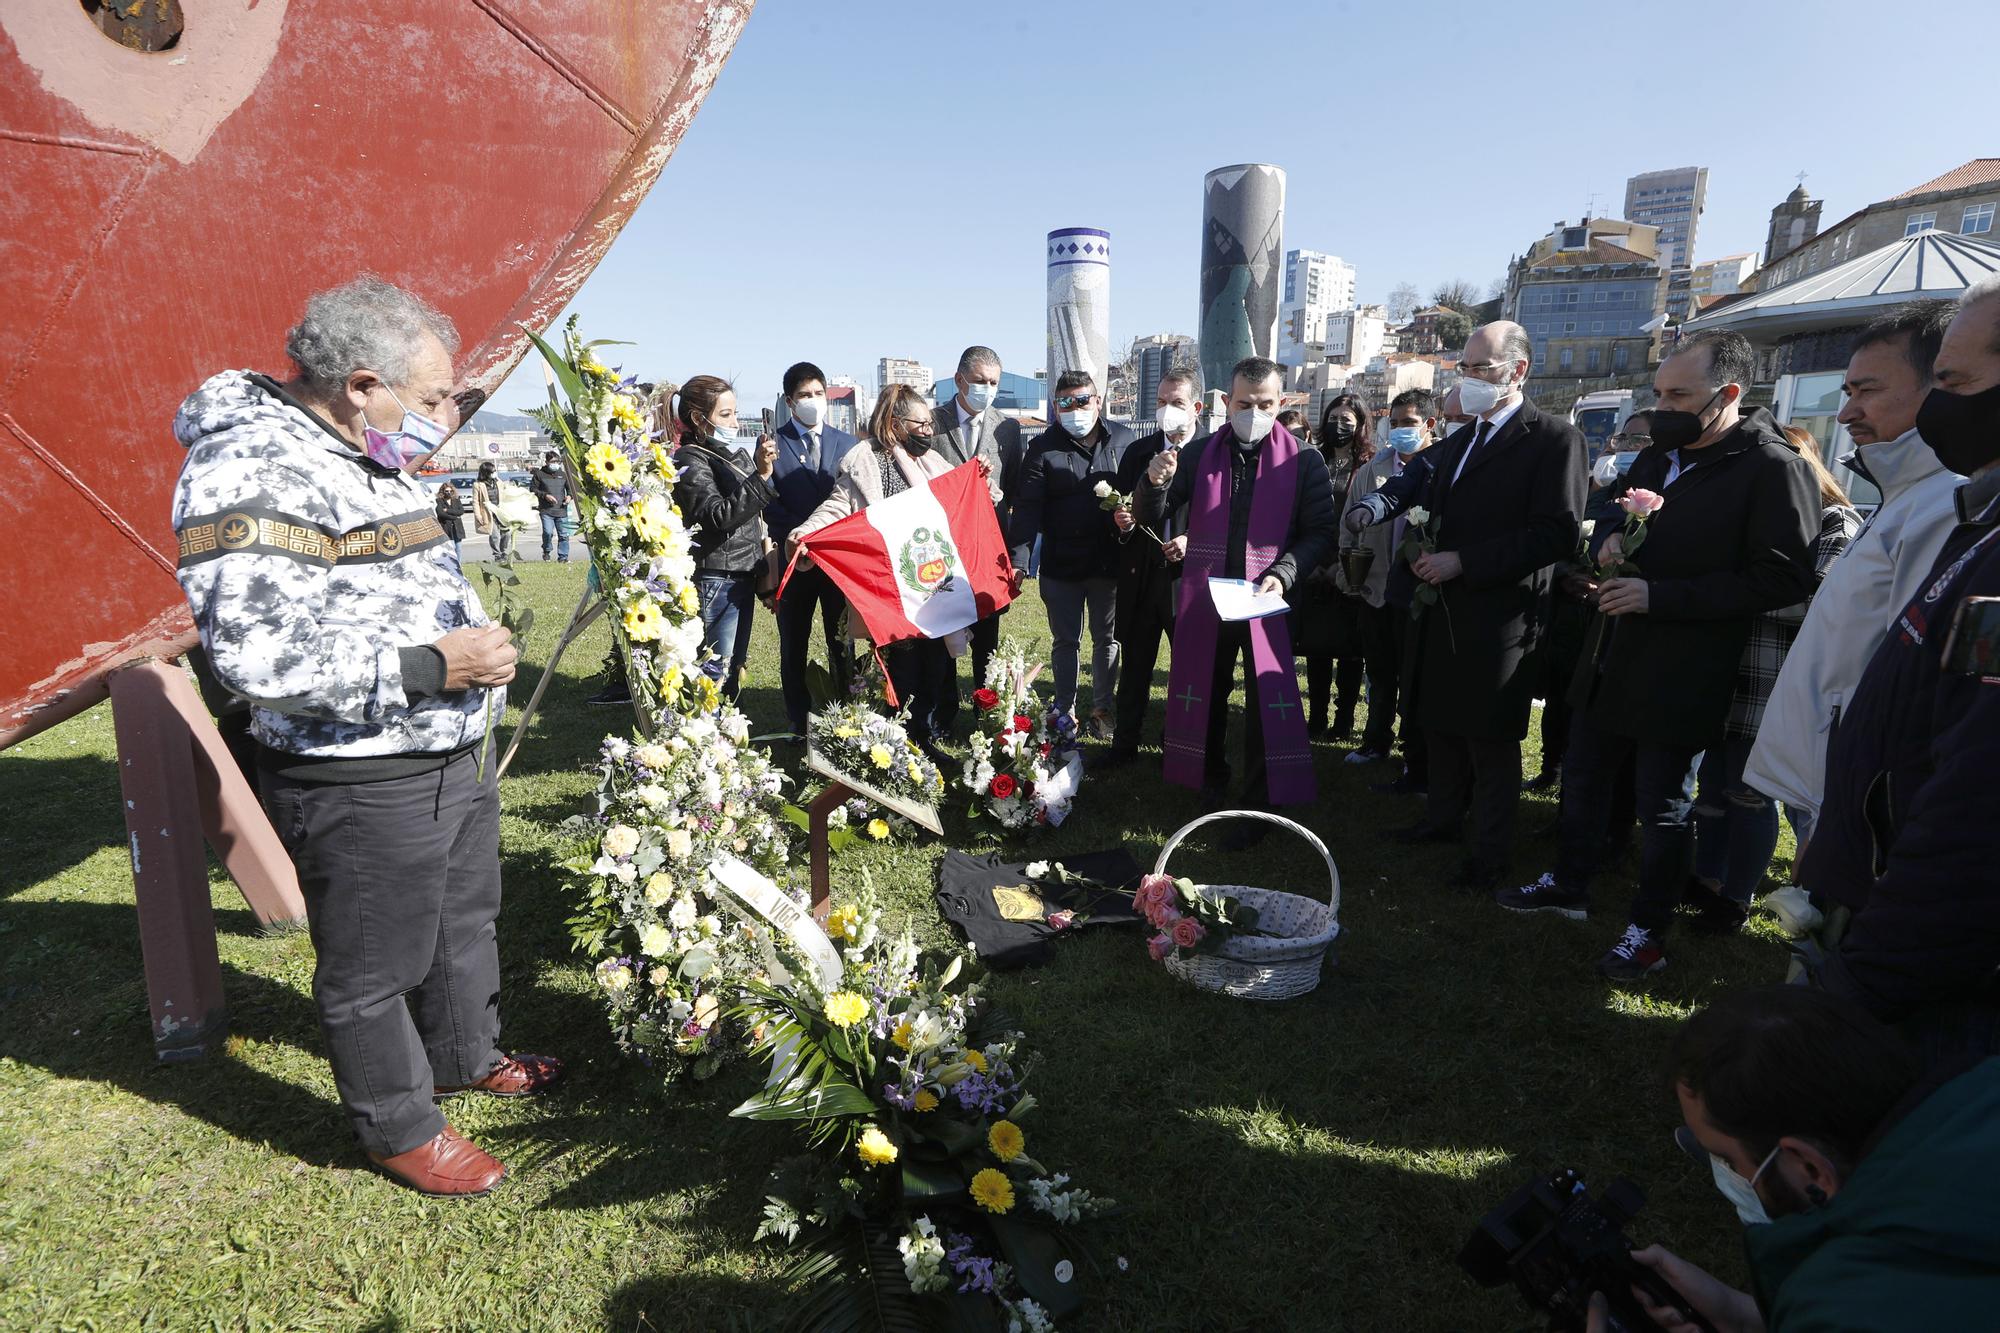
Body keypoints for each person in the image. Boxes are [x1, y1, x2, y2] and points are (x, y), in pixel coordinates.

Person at [170, 276, 561, 1198]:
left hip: (447, 751)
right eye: (429, 398)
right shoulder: (252, 467)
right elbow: (259, 657)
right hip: (361, 770)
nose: (441, 417)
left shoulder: (362, 454)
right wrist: (433, 667)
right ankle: (400, 1122)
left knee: (463, 921)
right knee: (373, 961)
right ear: (359, 384)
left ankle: (465, 1053)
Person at [1499, 329, 1818, 980]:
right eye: (1659, 392)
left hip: (1684, 670)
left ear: (1728, 394)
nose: (1662, 406)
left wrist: (1662, 596)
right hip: (1609, 653)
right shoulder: (1660, 453)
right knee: (1583, 778)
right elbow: (1617, 510)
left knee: (1664, 805)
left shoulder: (1771, 467)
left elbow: (1783, 577)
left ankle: (1648, 928)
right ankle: (1569, 881)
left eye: (1679, 395)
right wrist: (1612, 537)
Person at [1798, 277, 2000, 1064]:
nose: (1937, 408)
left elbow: (1977, 798)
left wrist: (1866, 979)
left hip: (1925, 950)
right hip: (1882, 882)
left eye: (1952, 384)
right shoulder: (1980, 523)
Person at [1582, 985, 2000, 1333]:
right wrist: (1739, 1313)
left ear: (1811, 1170)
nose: (1731, 1175)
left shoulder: (1853, 1303)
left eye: (1726, 1158)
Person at [1347, 322, 1585, 894]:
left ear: (1518, 371)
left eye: (1482, 368)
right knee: (1441, 722)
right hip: (1441, 609)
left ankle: (1490, 855)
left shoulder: (1552, 439)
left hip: (1500, 615)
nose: (1471, 379)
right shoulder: (1461, 438)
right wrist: (1377, 508)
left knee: (1490, 738)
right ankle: (1442, 819)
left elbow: (1558, 533)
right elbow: (1418, 488)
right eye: (1466, 369)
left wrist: (1466, 562)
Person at [1743, 301, 1962, 864]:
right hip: (1841, 785)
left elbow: (1913, 677)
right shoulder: (1908, 498)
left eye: (1866, 391)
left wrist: (1850, 809)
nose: (1846, 414)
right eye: (1845, 393)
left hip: (1865, 794)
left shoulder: (1943, 508)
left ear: (1944, 385)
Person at [1139, 356, 1337, 848]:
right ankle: (1209, 782)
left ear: (1282, 403)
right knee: (1203, 690)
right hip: (1209, 597)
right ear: (1226, 403)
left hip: (1267, 600)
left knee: (1264, 703)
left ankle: (1257, 801)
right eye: (1244, 403)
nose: (1254, 412)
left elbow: (1319, 533)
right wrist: (1154, 481)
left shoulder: (1304, 459)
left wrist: (1284, 574)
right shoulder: (1201, 452)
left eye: (1265, 404)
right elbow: (1155, 513)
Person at [1684, 428, 1858, 933]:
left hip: (1775, 685)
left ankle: (1735, 901)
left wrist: (1737, 592)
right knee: (1712, 791)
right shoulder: (1756, 518)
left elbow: (1827, 606)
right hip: (1726, 674)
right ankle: (1706, 881)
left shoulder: (1835, 521)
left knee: (1750, 796)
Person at [789, 385, 961, 751]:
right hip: (890, 589)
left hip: (932, 584)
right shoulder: (865, 463)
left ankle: (924, 738)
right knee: (901, 669)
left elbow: (965, 495)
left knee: (935, 666)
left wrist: (984, 479)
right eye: (921, 423)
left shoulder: (930, 462)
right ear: (896, 424)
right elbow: (837, 506)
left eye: (930, 423)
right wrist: (806, 532)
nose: (928, 431)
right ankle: (899, 746)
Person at [1008, 369, 1135, 735]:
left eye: (1082, 400)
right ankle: (1065, 706)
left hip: (1109, 561)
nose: (1075, 408)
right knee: (1066, 640)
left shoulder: (1123, 439)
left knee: (1107, 639)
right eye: (1065, 402)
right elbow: (1027, 507)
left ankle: (1102, 708)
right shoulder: (1042, 448)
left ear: (1098, 401)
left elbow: (1139, 495)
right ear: (1055, 406)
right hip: (1061, 564)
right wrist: (1019, 559)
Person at [1530, 413, 1650, 792]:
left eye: (1639, 441)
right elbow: (1558, 538)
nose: (1627, 447)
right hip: (1570, 616)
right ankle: (1552, 769)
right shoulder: (1592, 491)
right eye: (1624, 438)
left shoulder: (1659, 497)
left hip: (1615, 623)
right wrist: (1567, 575)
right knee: (1559, 702)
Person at [1099, 364, 1200, 768]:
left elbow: (1222, 514)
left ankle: (1178, 743)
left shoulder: (1209, 453)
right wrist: (1121, 523)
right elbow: (1123, 508)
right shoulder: (1139, 452)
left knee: (1188, 669)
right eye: (1160, 402)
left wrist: (1193, 540)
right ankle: (1124, 744)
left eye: (1175, 402)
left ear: (1195, 407)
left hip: (1187, 582)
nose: (1166, 410)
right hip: (1141, 577)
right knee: (1136, 665)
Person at [1339, 388, 1437, 769]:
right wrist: (1349, 570)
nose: (1399, 431)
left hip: (1420, 591)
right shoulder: (1372, 471)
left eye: (1408, 423)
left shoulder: (1441, 468)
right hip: (1375, 587)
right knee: (1378, 670)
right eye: (1393, 424)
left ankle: (1416, 751)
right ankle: (1376, 740)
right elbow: (1349, 524)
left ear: (1429, 424)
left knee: (1416, 676)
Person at [933, 346, 1025, 723]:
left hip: (988, 551)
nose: (986, 389)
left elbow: (1016, 490)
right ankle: (943, 710)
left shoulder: (1008, 428)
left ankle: (985, 709)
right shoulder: (933, 422)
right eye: (979, 381)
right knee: (943, 636)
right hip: (942, 550)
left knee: (987, 637)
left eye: (993, 383)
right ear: (959, 380)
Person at [766, 361, 859, 737]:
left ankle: (847, 708)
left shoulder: (847, 443)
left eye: (818, 393)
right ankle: (798, 717)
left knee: (843, 640)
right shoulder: (774, 445)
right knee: (794, 639)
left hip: (837, 560)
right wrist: (797, 537)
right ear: (790, 401)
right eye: (805, 395)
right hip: (795, 559)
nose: (813, 400)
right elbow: (770, 501)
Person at [671, 375, 777, 701]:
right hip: (717, 575)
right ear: (699, 419)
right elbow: (715, 516)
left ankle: (722, 735)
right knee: (714, 666)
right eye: (725, 415)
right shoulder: (690, 459)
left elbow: (756, 508)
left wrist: (762, 471)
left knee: (733, 666)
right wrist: (759, 476)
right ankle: (707, 734)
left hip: (742, 571)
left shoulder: (730, 453)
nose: (734, 421)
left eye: (735, 413)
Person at [1294, 394, 1373, 743]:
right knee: (1317, 646)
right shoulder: (1315, 459)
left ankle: (1344, 718)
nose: (1338, 425)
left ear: (1360, 425)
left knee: (1350, 650)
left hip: (1351, 565)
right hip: (1315, 564)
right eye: (1333, 418)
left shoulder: (1368, 463)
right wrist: (1313, 562)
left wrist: (1343, 565)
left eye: (1347, 420)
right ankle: (1317, 715)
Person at [528, 448, 574, 562]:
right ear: (547, 462)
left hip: (561, 510)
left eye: (557, 462)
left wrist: (569, 496)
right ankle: (546, 550)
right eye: (552, 462)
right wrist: (545, 496)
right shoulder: (539, 474)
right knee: (548, 532)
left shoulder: (563, 474)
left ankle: (563, 557)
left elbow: (570, 489)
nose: (555, 464)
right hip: (546, 510)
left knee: (563, 535)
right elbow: (533, 488)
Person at [473, 458, 510, 561]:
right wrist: (478, 515)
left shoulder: (497, 481)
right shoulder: (478, 485)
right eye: (492, 472)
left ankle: (503, 551)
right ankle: (497, 554)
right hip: (488, 513)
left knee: (507, 533)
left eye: (495, 471)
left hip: (500, 511)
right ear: (486, 473)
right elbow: (475, 501)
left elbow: (505, 490)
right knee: (495, 535)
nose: (494, 473)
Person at [434, 480, 467, 562]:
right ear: (443, 491)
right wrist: (454, 517)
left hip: (457, 528)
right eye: (446, 491)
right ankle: (452, 564)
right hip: (447, 528)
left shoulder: (456, 500)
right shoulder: (439, 501)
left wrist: (448, 510)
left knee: (458, 548)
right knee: (451, 548)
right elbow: (441, 514)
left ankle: (459, 564)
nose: (448, 493)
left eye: (450, 491)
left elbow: (461, 511)